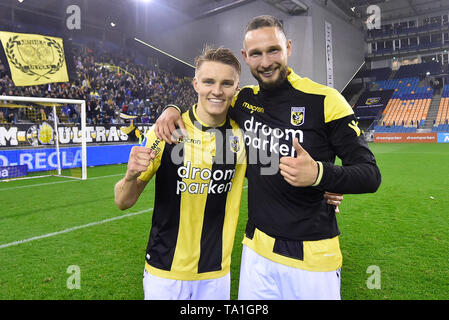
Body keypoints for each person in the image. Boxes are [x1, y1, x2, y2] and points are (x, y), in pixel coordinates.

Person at [153, 15, 381, 300]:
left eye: (273, 50)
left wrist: (321, 175)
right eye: (257, 54)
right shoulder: (243, 101)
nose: (266, 62)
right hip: (256, 255)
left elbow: (370, 174)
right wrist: (171, 109)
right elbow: (210, 100)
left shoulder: (325, 100)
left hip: (313, 257)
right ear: (245, 57)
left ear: (288, 47)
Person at [114, 47, 247, 300]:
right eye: (209, 81)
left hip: (216, 275)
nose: (217, 91)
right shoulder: (167, 131)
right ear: (196, 84)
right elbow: (122, 201)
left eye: (226, 83)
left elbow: (275, 179)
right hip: (164, 272)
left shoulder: (242, 137)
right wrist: (130, 176)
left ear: (236, 88)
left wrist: (323, 190)